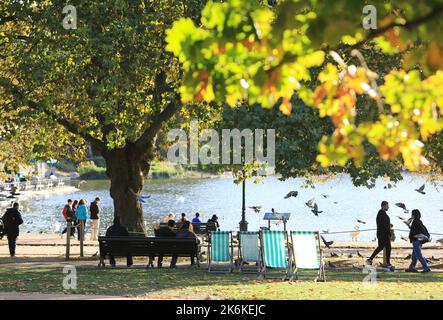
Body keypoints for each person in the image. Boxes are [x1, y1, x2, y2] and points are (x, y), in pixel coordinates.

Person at [367, 201, 393, 269]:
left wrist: (389, 225)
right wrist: (389, 233)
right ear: (383, 206)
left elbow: (384, 223)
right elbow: (384, 225)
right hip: (383, 234)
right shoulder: (381, 214)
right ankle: (387, 262)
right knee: (386, 248)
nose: (388, 207)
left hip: (382, 234)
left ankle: (370, 259)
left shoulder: (381, 213)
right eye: (387, 206)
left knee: (382, 247)